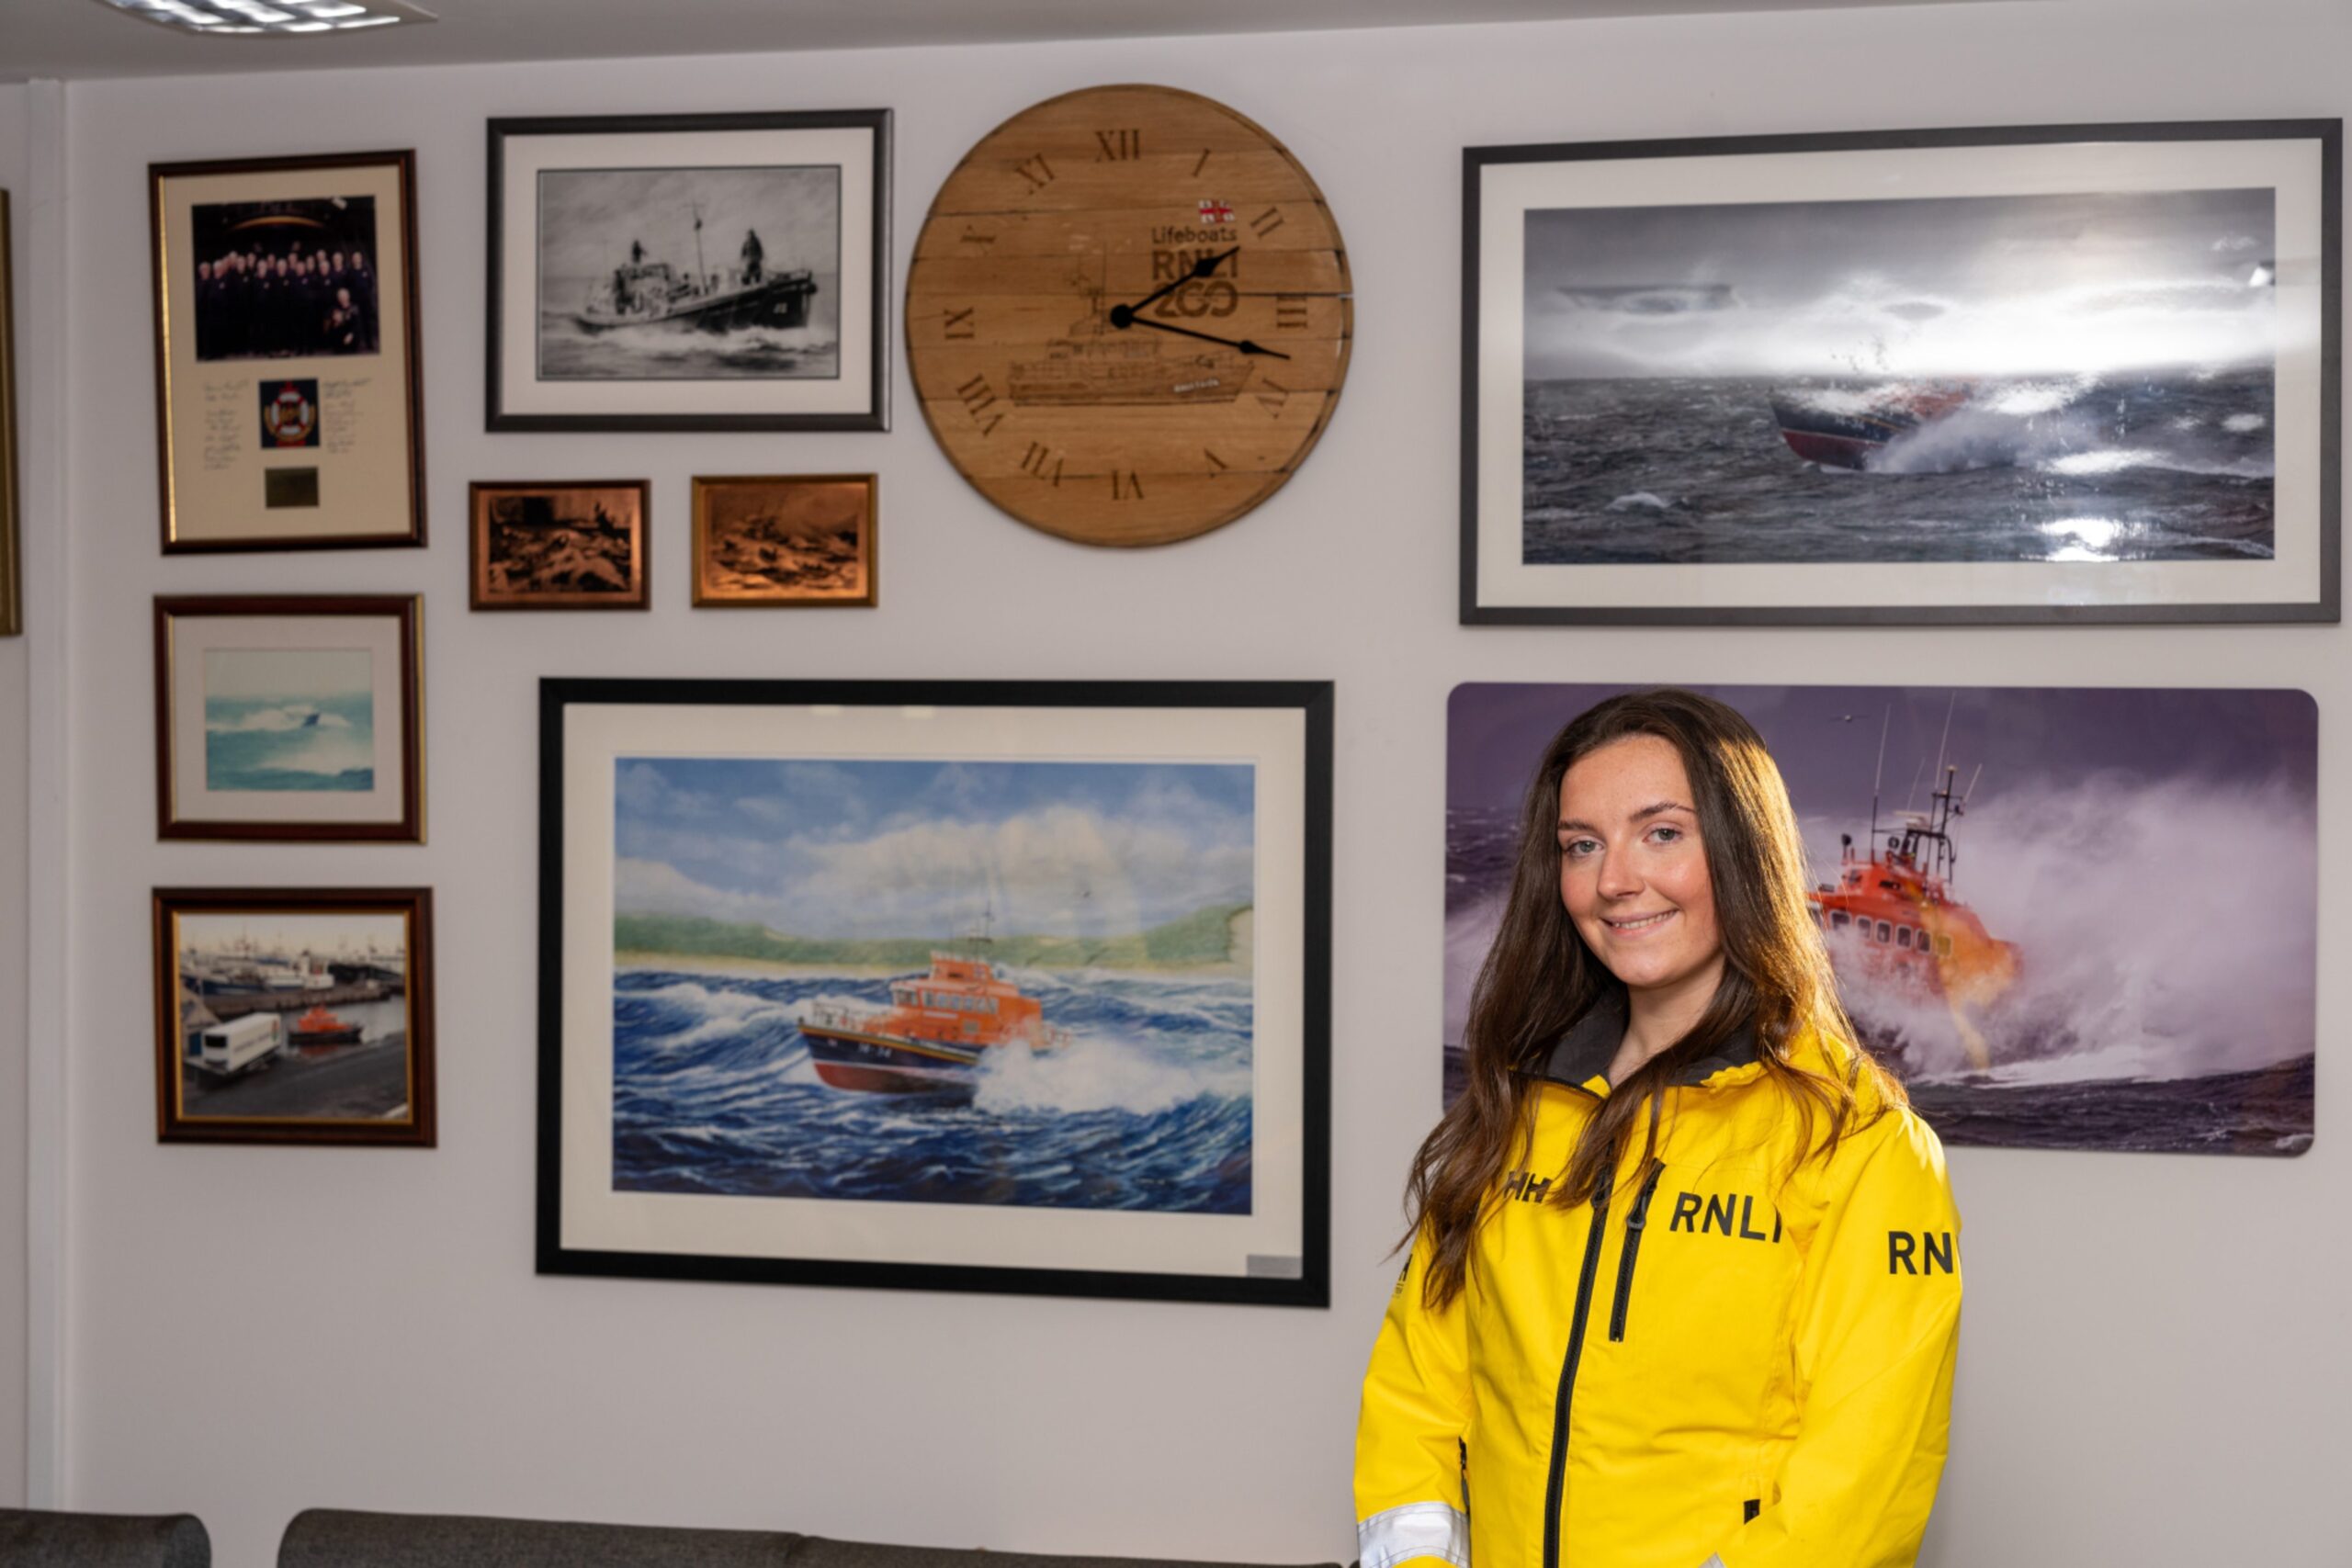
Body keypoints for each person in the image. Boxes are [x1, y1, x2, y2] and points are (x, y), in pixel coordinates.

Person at [1356, 688, 1962, 1568]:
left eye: (1663, 832)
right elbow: (1418, 1392)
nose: (1613, 880)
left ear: (1742, 851)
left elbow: (1860, 1484)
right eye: (1582, 845)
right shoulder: (1517, 1115)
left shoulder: (1860, 1144)